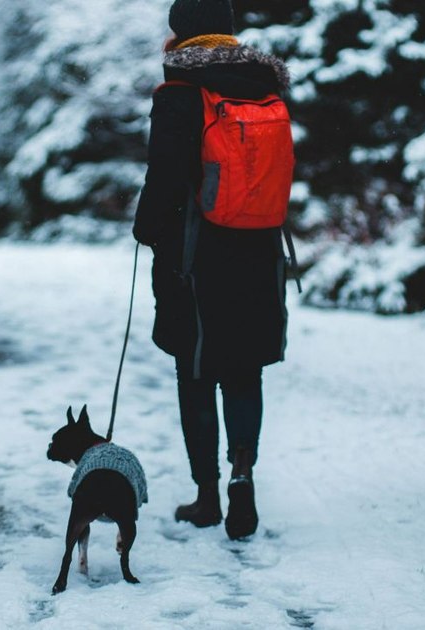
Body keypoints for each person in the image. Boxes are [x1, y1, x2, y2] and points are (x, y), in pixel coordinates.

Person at [133, 0, 292, 541]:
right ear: (227, 32)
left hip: (195, 255)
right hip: (258, 248)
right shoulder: (263, 88)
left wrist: (145, 229)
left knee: (195, 371)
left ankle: (206, 495)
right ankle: (242, 477)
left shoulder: (179, 92)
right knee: (245, 368)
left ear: (181, 34)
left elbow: (165, 176)